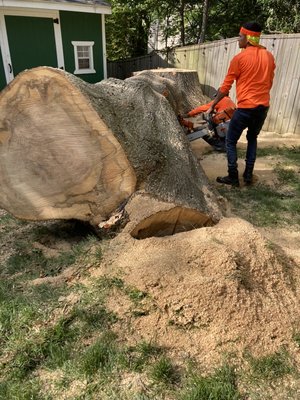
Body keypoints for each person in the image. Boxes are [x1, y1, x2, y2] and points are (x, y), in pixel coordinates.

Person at [206, 21, 276, 186]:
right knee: (252, 137)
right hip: (263, 107)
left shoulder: (239, 58)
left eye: (240, 36)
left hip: (245, 108)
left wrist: (212, 104)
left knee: (230, 141)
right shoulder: (269, 56)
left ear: (248, 38)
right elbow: (269, 82)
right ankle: (248, 176)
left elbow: (225, 87)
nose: (238, 39)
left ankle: (233, 176)